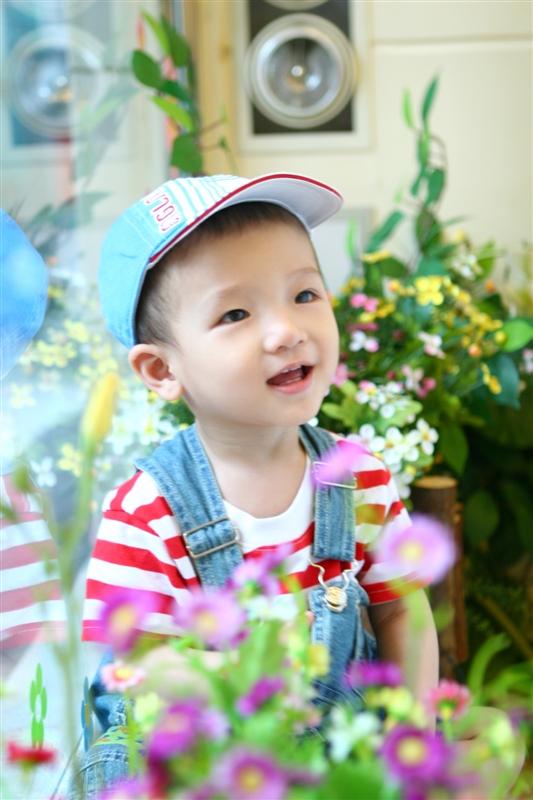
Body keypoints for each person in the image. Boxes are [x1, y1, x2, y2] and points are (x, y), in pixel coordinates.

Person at [76, 173, 439, 796]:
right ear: (161, 369)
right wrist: (251, 677)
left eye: (304, 294)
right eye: (237, 313)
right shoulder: (146, 511)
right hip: (208, 759)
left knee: (486, 737)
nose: (287, 330)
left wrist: (413, 736)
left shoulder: (357, 477)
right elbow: (139, 667)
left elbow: (403, 610)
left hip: (335, 748)